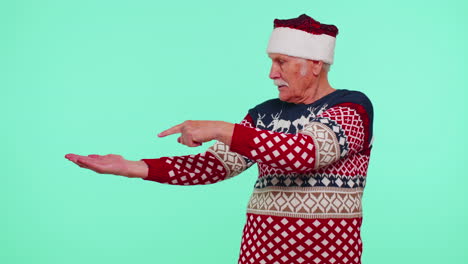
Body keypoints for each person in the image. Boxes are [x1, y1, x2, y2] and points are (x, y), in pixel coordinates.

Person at [65, 14, 374, 264]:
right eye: (271, 61)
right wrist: (133, 167)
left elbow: (304, 153)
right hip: (258, 254)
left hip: (329, 258)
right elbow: (215, 165)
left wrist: (219, 128)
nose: (271, 72)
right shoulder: (263, 114)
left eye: (281, 61)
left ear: (315, 64)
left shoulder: (351, 107)